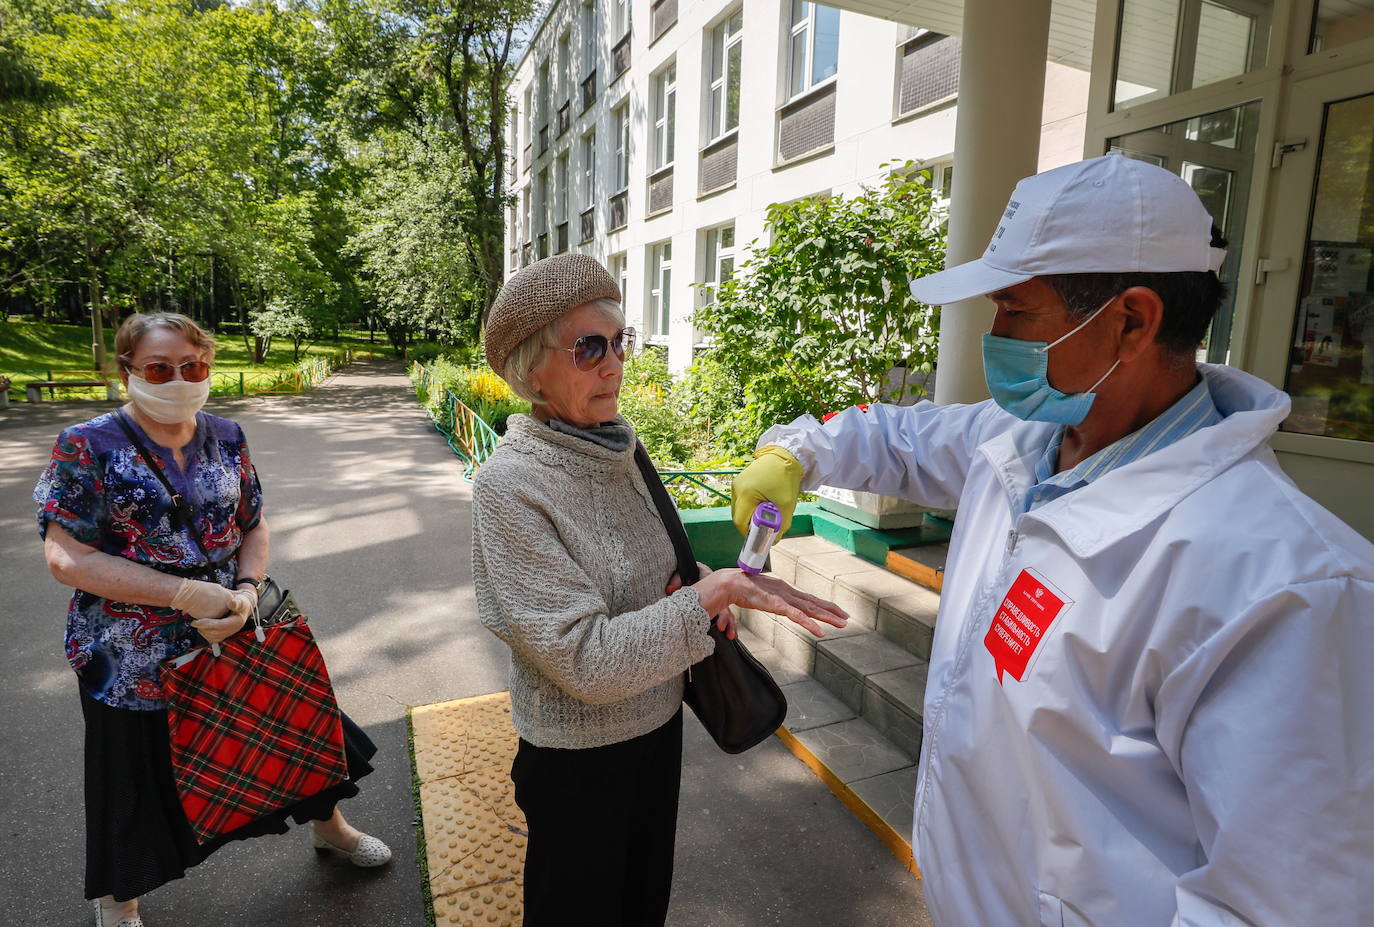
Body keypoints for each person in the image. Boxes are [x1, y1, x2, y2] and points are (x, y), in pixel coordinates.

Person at [731, 154, 1374, 926]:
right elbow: (897, 437)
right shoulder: (1028, 438)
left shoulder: (1287, 587)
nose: (994, 336)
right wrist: (794, 452)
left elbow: (1280, 903)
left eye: (1015, 309)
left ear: (1131, 321)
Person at [471, 254, 849, 927]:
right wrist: (704, 600)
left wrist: (700, 585)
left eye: (620, 342)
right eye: (589, 348)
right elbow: (583, 658)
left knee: (644, 905)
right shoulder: (510, 485)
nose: (614, 364)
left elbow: (656, 569)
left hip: (657, 728)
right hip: (577, 761)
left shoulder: (618, 446)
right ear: (531, 370)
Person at [35, 312, 391, 927]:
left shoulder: (226, 435)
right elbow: (66, 558)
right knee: (136, 774)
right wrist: (180, 593)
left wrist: (247, 591)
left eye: (192, 366)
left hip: (235, 625)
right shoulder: (86, 445)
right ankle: (120, 897)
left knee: (289, 731)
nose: (178, 379)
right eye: (158, 368)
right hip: (131, 654)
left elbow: (254, 524)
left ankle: (330, 828)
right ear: (126, 371)